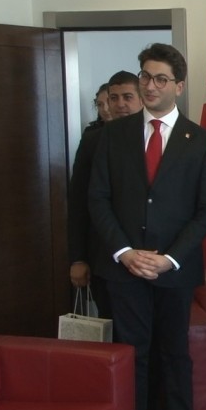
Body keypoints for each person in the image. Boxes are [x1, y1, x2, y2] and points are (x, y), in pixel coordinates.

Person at [89, 43, 206, 410]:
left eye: (161, 79)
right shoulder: (114, 135)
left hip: (174, 271)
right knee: (132, 358)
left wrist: (169, 258)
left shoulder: (200, 140)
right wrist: (125, 252)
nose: (150, 86)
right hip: (123, 270)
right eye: (145, 76)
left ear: (178, 86)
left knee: (174, 357)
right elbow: (98, 198)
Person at [68, 74, 143, 317]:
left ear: (142, 99)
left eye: (127, 97)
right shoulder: (93, 141)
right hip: (104, 257)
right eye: (114, 98)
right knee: (112, 327)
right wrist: (78, 258)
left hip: (149, 258)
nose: (120, 104)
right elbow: (78, 202)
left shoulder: (158, 137)